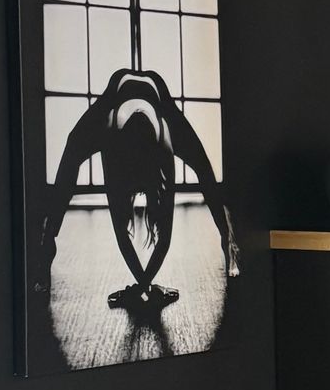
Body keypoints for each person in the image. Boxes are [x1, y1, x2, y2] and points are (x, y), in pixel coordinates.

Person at [41, 65, 238, 314]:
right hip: (115, 94)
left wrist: (141, 287)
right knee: (72, 147)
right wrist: (146, 287)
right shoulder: (109, 137)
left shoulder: (166, 140)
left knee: (203, 166)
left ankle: (226, 237)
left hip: (159, 98)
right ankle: (48, 238)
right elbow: (121, 235)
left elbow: (163, 239)